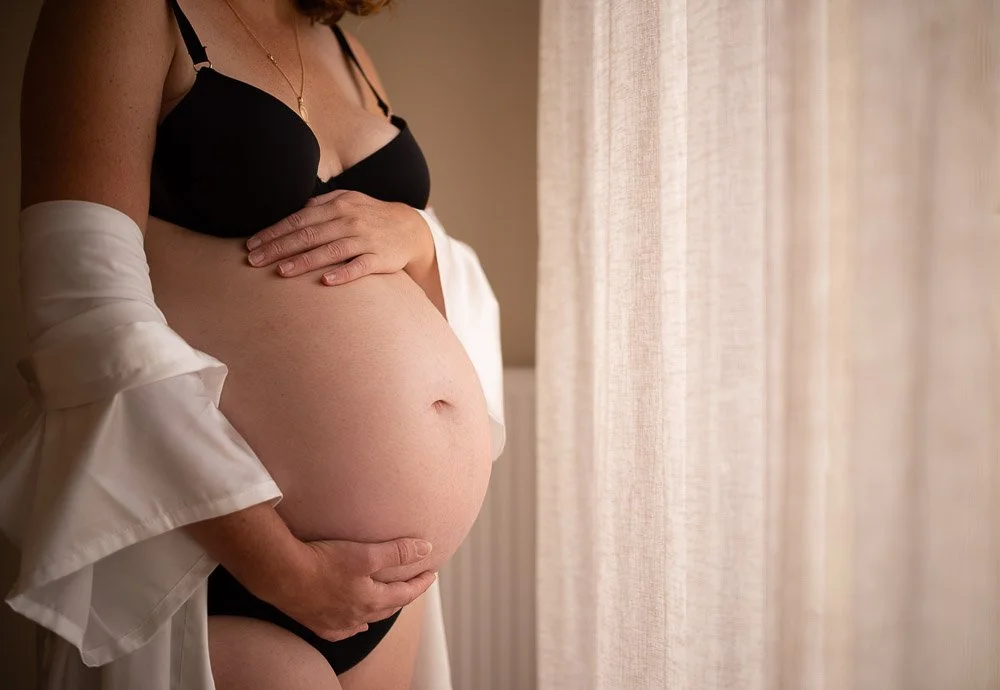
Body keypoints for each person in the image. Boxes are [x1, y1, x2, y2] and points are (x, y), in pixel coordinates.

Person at [0, 0, 506, 688]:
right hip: (226, 560)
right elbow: (84, 306)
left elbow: (408, 254)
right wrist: (280, 568)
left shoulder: (344, 47)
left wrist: (417, 237)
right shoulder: (126, 11)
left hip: (389, 584)